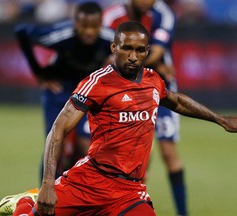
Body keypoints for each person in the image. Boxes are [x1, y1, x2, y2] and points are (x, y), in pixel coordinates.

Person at [0, 21, 237, 216]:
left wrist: (220, 119)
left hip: (129, 191)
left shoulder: (153, 80)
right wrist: (46, 184)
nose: (133, 56)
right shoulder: (98, 82)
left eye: (140, 50)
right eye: (127, 49)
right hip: (89, 181)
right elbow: (58, 129)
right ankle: (26, 203)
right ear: (114, 47)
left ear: (146, 51)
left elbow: (176, 101)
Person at [102, 1, 188, 215]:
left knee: (169, 153)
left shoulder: (163, 14)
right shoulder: (111, 16)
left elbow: (157, 51)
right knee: (136, 157)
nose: (148, 1)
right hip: (126, 92)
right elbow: (104, 56)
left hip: (161, 86)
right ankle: (130, 207)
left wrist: (135, 65)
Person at [15, 1, 114, 180]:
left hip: (88, 92)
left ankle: (76, 193)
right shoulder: (61, 35)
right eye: (84, 26)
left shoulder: (111, 39)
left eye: (94, 26)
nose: (89, 32)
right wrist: (40, 73)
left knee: (88, 146)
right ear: (75, 23)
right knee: (54, 143)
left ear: (101, 24)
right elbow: (22, 31)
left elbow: (131, 53)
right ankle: (44, 195)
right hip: (59, 90)